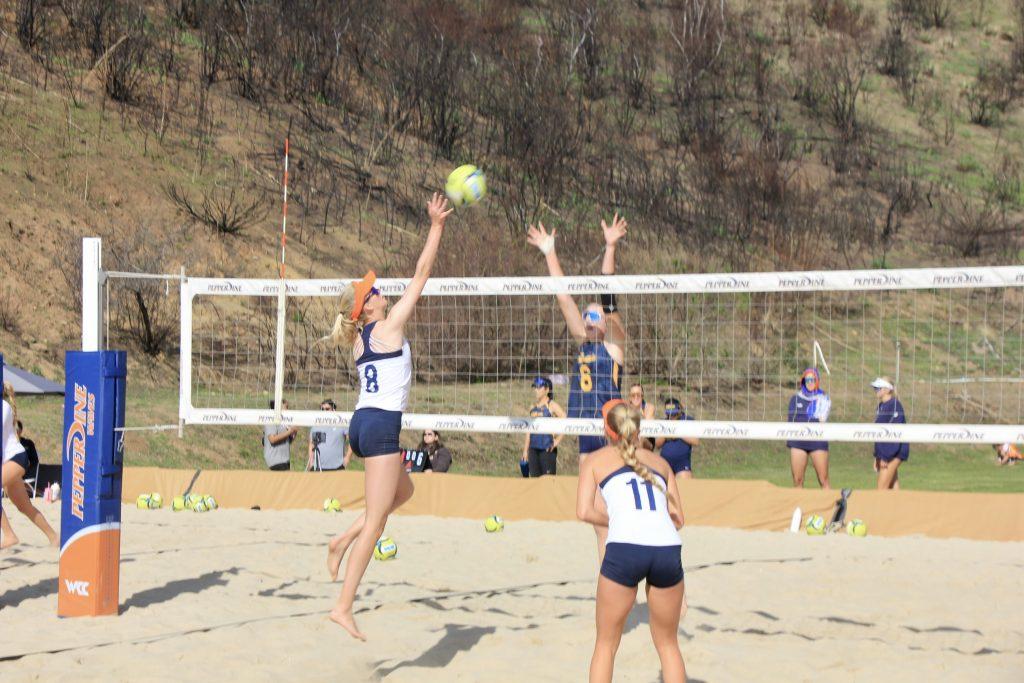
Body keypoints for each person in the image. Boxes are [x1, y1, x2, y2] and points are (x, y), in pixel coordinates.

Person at [323, 192, 452, 640]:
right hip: (378, 427)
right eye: (371, 292)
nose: (379, 290)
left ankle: (339, 541)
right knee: (378, 522)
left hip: (363, 424)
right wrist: (435, 226)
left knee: (402, 493)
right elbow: (422, 274)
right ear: (367, 309)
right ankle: (344, 606)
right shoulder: (389, 326)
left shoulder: (360, 340)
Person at [527, 213, 627, 561]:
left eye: (594, 315)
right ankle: (608, 567)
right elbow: (563, 297)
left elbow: (609, 297)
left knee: (608, 504)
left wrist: (610, 246)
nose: (588, 319)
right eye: (586, 316)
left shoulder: (613, 344)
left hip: (612, 430)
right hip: (587, 430)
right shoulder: (583, 341)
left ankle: (620, 559)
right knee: (592, 510)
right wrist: (549, 251)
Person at [577, 400, 686, 683]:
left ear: (607, 429)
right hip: (666, 547)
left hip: (626, 546)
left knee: (606, 645)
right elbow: (678, 518)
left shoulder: (595, 460)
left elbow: (583, 511)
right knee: (668, 645)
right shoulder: (661, 463)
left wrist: (621, 521)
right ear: (638, 428)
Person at [1, 384, 58, 548]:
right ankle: (54, 537)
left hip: (16, 458)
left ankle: (9, 535)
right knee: (24, 507)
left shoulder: (4, 407)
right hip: (8, 462)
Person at [785, 367, 831, 489]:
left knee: (824, 480)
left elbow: (822, 419)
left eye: (813, 379)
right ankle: (799, 507)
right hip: (798, 441)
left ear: (817, 380)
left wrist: (814, 413)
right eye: (807, 380)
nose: (810, 382)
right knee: (797, 480)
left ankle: (831, 506)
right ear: (803, 381)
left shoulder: (823, 398)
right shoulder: (795, 398)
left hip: (817, 440)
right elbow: (792, 421)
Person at [521, 376, 566, 477]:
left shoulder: (552, 405)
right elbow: (529, 431)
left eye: (539, 387)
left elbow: (565, 420)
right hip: (533, 450)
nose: (536, 390)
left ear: (547, 390)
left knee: (548, 483)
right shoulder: (532, 407)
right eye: (535, 387)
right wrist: (525, 450)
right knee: (534, 483)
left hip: (547, 449)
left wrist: (557, 440)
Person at [871, 377, 908, 490]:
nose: (876, 390)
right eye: (875, 388)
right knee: (892, 486)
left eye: (879, 388)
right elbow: (879, 434)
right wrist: (877, 456)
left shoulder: (895, 405)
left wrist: (885, 457)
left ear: (887, 390)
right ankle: (900, 507)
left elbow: (895, 434)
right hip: (885, 452)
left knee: (882, 488)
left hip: (894, 452)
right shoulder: (881, 406)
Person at [654, 398, 698, 480]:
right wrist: (667, 434)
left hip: (682, 463)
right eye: (669, 415)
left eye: (674, 414)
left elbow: (695, 441)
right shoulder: (664, 422)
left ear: (679, 410)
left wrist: (678, 433)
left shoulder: (688, 420)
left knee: (685, 486)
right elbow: (657, 444)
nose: (672, 417)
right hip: (665, 461)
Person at [307, 398, 352, 471]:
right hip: (318, 467)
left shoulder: (341, 423)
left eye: (327, 409)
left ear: (333, 410)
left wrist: (347, 458)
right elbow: (312, 444)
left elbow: (352, 441)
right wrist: (311, 462)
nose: (324, 411)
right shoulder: (316, 425)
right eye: (322, 409)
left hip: (337, 467)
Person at [263, 398, 298, 471]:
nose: (288, 410)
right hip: (276, 460)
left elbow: (288, 441)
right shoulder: (271, 420)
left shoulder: (284, 422)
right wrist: (290, 431)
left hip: (285, 459)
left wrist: (294, 433)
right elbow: (272, 439)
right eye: (286, 407)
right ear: (278, 408)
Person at [627, 384, 656, 449]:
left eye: (638, 395)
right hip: (632, 438)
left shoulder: (649, 407)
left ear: (642, 396)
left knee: (641, 440)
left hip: (646, 440)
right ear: (629, 397)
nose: (636, 397)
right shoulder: (626, 407)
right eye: (633, 395)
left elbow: (645, 426)